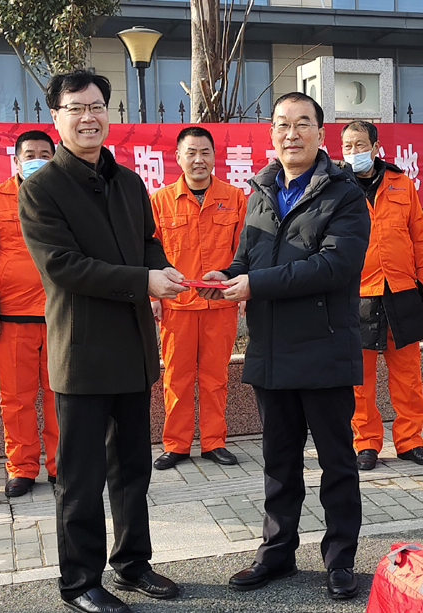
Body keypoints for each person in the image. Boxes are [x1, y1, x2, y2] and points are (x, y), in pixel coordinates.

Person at [18, 70, 182, 613]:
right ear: (56, 117)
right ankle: (79, 583)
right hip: (83, 353)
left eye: (96, 107)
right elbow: (63, 267)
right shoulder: (41, 188)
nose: (88, 118)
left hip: (133, 349)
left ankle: (132, 563)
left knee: (132, 470)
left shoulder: (129, 182)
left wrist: (163, 270)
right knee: (81, 478)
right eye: (76, 108)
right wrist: (143, 280)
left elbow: (147, 243)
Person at [199, 92, 370, 600]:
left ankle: (340, 559)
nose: (290, 134)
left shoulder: (345, 194)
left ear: (321, 133)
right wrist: (225, 276)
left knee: (336, 463)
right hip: (271, 350)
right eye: (281, 125)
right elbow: (248, 258)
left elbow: (334, 267)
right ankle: (276, 552)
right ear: (271, 133)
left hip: (325, 348)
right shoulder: (261, 190)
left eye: (301, 124)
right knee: (278, 463)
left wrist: (255, 284)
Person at [340, 121, 423, 471]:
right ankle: (366, 443)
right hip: (357, 294)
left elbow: (419, 235)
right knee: (359, 379)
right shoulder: (336, 187)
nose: (354, 152)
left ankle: (410, 441)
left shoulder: (402, 183)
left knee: (408, 376)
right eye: (348, 146)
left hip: (401, 290)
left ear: (376, 147)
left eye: (360, 145)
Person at [0, 130, 58, 498]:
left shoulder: (68, 195)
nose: (37, 160)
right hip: (13, 316)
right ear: (15, 160)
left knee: (61, 396)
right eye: (30, 154)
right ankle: (21, 468)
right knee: (16, 399)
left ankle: (62, 465)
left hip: (61, 314)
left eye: (45, 154)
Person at [149, 126, 247, 471]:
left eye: (205, 152)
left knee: (215, 377)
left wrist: (243, 289)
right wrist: (152, 295)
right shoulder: (160, 201)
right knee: (176, 378)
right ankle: (176, 445)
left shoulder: (234, 197)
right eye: (190, 153)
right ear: (178, 157)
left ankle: (213, 442)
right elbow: (151, 250)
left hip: (220, 303)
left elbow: (244, 249)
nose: (198, 160)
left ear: (214, 156)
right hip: (177, 305)